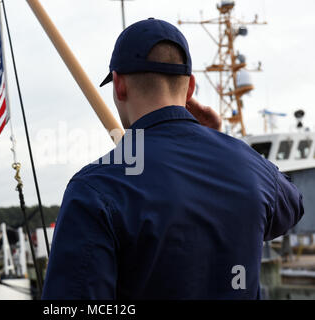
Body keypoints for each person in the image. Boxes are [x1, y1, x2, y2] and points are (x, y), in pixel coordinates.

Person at [41, 18, 304, 299]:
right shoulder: (251, 170)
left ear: (119, 85)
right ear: (190, 87)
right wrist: (221, 143)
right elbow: (291, 207)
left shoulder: (94, 189)